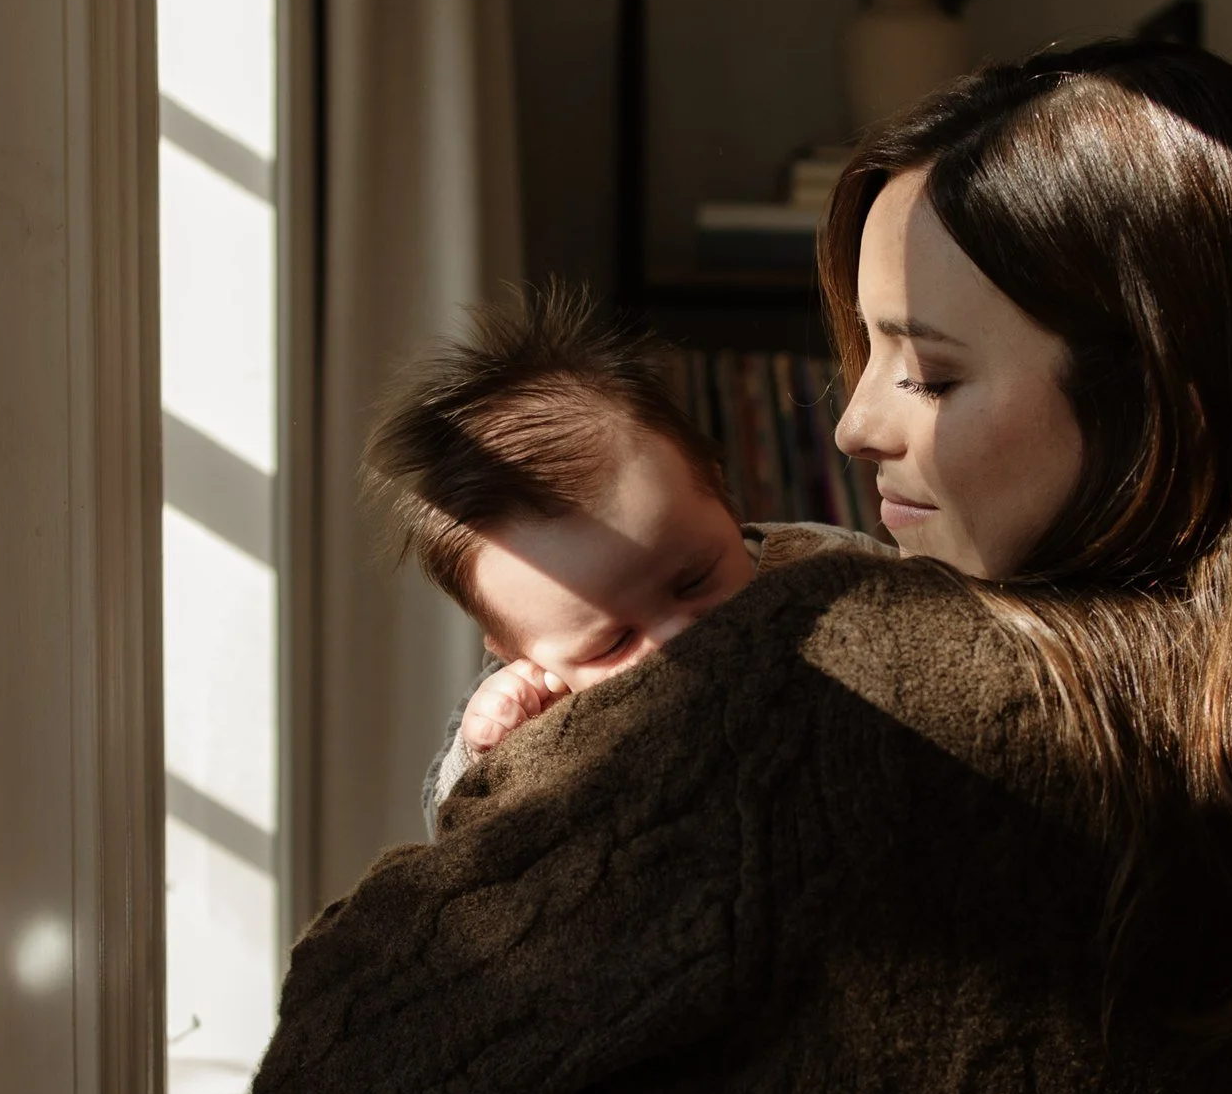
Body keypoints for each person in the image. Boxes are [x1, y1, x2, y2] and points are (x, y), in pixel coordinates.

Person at [253, 38, 1232, 1094]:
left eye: (930, 373)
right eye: (864, 353)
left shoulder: (814, 691)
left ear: (1157, 395)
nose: (855, 422)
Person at [363, 286, 886, 825]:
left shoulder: (822, 565)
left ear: (717, 489)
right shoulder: (537, 705)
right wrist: (483, 753)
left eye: (693, 581)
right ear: (516, 651)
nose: (676, 638)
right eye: (613, 643)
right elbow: (451, 829)